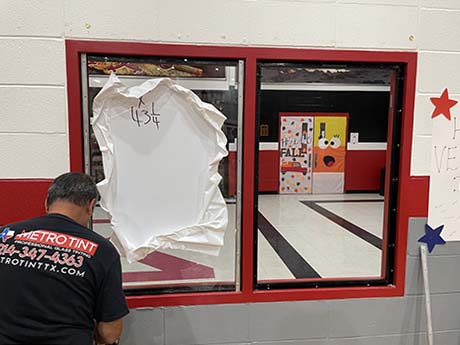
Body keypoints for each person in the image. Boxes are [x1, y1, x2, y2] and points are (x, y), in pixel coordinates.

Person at [0, 172, 129, 345]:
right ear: (91, 206)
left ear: (47, 202)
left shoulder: (6, 235)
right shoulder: (102, 251)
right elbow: (109, 333)